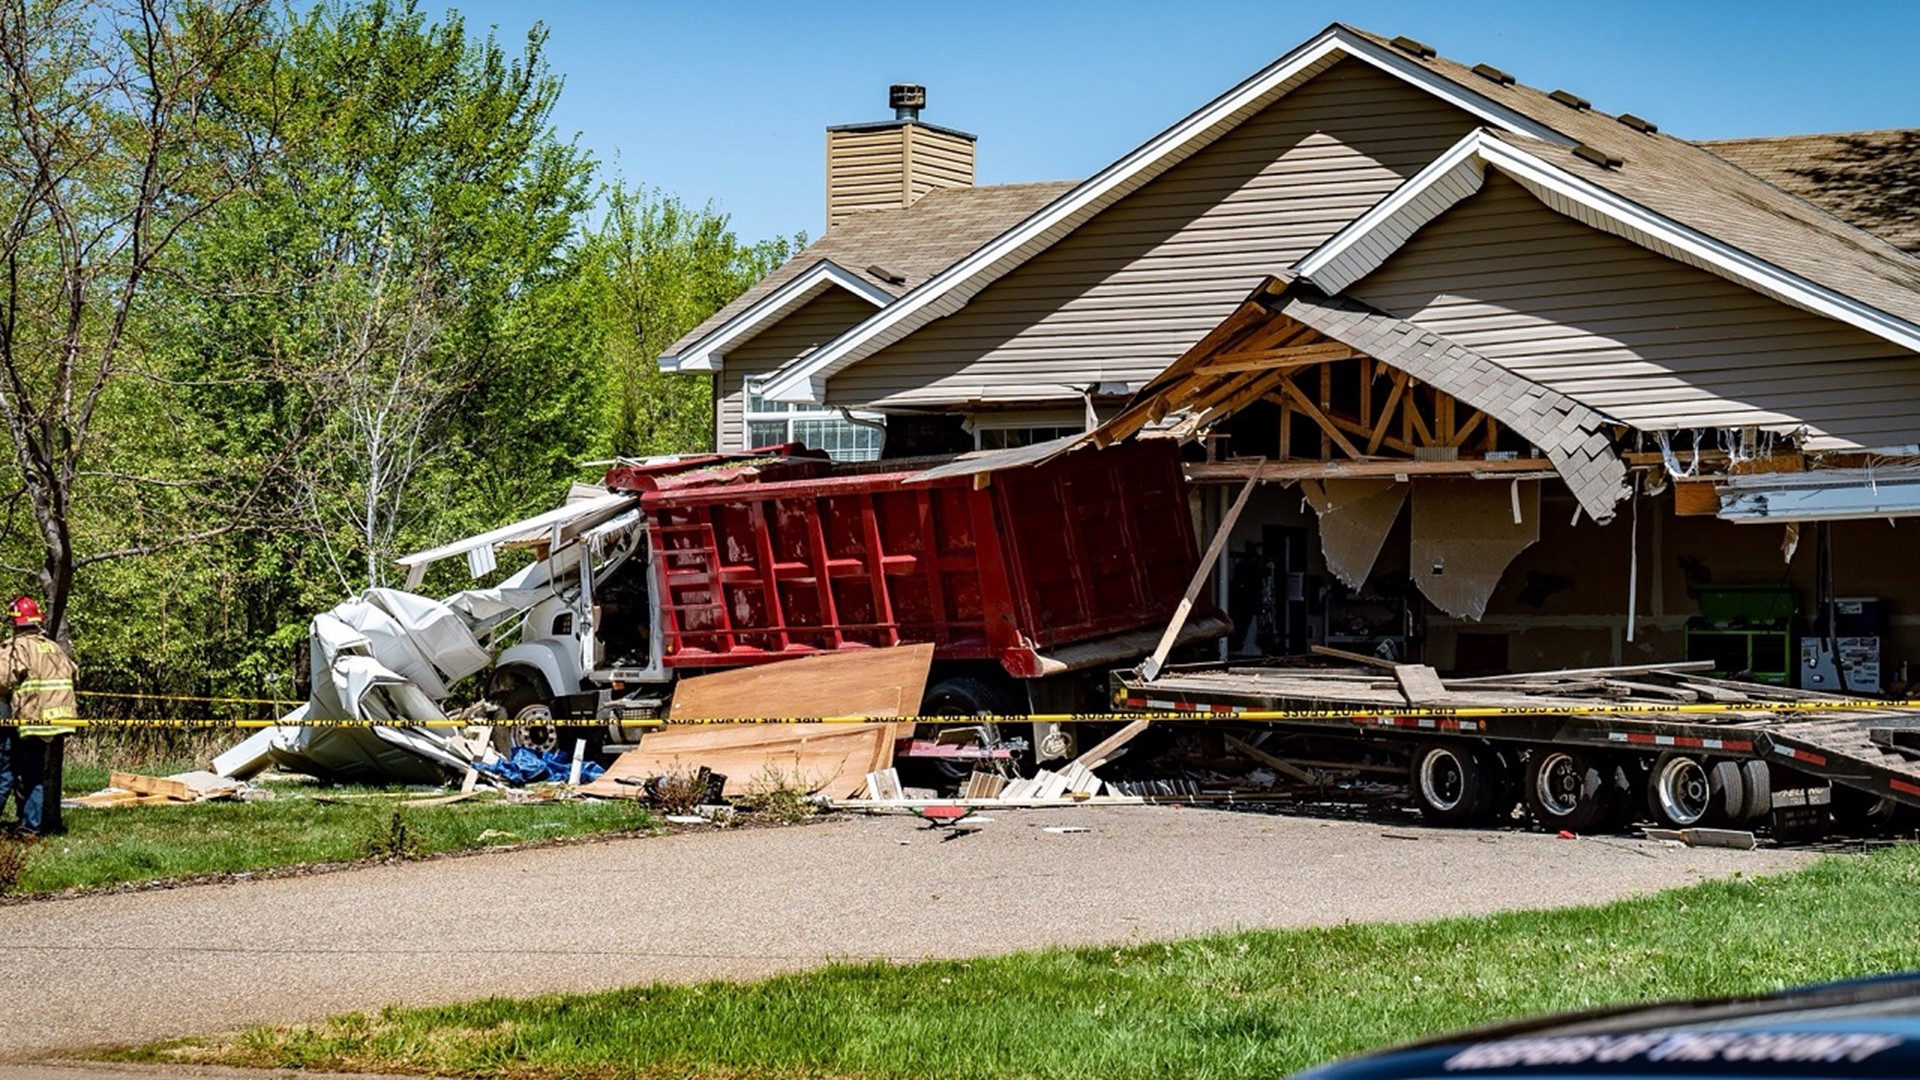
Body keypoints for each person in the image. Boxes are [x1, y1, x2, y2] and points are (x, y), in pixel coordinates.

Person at [0, 597, 77, 837]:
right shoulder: (53, 647)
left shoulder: (17, 648)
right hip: (54, 722)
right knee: (34, 776)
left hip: (29, 719)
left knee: (5, 773)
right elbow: (73, 673)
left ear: (15, 623)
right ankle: (29, 829)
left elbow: (2, 680)